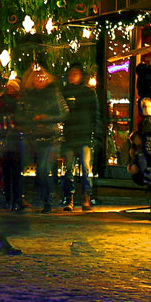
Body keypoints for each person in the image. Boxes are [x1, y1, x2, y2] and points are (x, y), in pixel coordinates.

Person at [16, 66, 66, 213]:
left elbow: (64, 113)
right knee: (31, 168)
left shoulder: (54, 94)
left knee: (44, 168)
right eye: (36, 78)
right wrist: (29, 121)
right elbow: (20, 113)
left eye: (42, 78)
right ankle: (29, 197)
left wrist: (46, 118)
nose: (39, 80)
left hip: (50, 136)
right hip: (33, 136)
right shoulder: (27, 95)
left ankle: (48, 199)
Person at [60, 63, 100, 211]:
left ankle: (86, 197)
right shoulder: (64, 92)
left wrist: (95, 133)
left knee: (86, 168)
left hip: (84, 135)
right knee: (69, 169)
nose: (73, 77)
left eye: (75, 74)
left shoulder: (88, 93)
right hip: (70, 136)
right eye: (71, 74)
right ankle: (69, 198)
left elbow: (95, 113)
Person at [0, 79, 24, 211]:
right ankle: (11, 199)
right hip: (7, 138)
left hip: (15, 138)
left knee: (14, 171)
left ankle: (15, 198)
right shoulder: (4, 100)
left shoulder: (18, 101)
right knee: (8, 170)